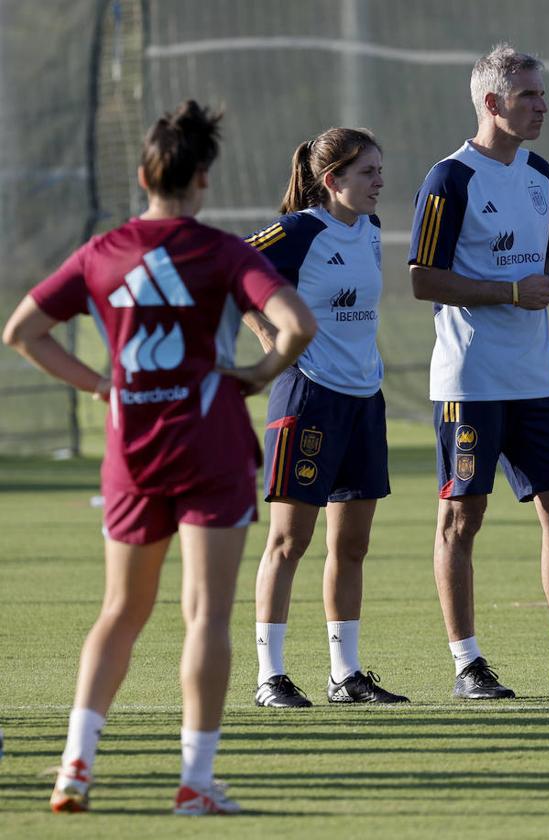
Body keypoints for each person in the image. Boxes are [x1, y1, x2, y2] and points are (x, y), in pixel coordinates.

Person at [2, 101, 316, 814]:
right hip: (209, 447)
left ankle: (75, 769)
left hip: (132, 451)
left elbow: (23, 330)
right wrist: (262, 374)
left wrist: (101, 387)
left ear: (144, 173)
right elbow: (297, 324)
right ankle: (194, 784)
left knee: (120, 610)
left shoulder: (101, 252)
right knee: (205, 616)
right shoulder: (224, 252)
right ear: (202, 177)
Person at [407, 44, 549, 699]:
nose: (542, 106)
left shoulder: (539, 172)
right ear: (491, 103)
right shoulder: (448, 179)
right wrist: (510, 293)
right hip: (470, 381)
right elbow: (423, 281)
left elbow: (540, 263)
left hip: (536, 378)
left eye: (542, 94)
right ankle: (467, 665)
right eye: (529, 95)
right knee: (462, 519)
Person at [243, 128, 407, 707]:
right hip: (307, 397)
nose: (379, 182)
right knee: (290, 542)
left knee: (353, 544)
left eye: (380, 170)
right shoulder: (298, 230)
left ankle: (346, 673)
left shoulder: (371, 230)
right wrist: (273, 341)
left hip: (364, 400)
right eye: (368, 172)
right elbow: (233, 271)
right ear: (332, 179)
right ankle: (271, 677)